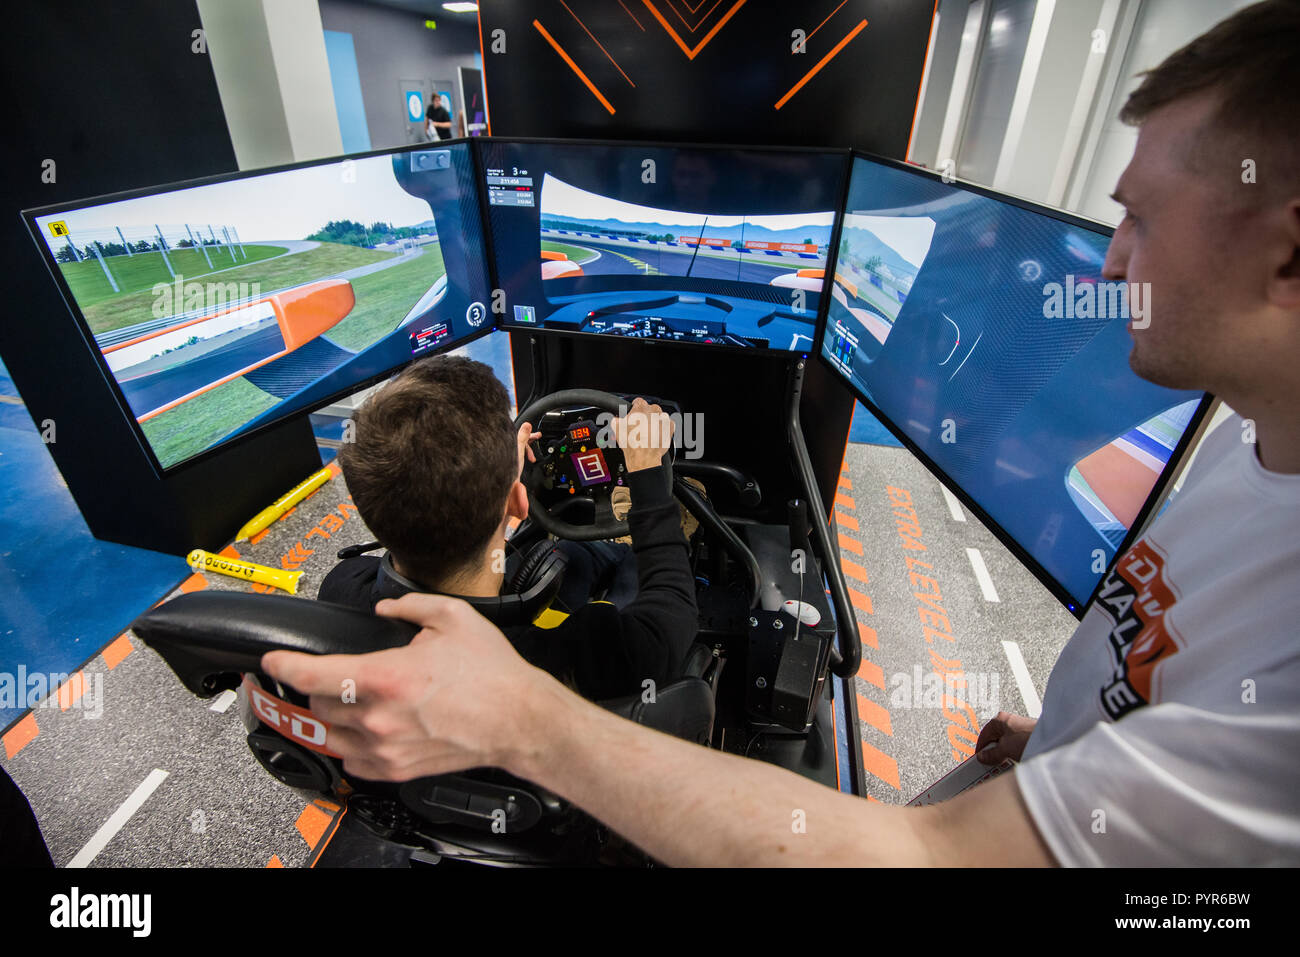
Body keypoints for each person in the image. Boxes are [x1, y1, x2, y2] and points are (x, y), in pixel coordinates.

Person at [264, 0, 1300, 865]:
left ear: (1286, 253)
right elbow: (665, 628)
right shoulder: (1238, 438)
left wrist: (514, 715)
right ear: (517, 499)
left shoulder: (347, 602)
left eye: (1141, 218)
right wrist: (1076, 743)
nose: (1110, 265)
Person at [317, 355, 698, 703]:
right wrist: (649, 482)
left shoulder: (342, 586)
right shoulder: (587, 655)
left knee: (574, 556)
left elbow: (407, 509)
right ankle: (626, 541)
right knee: (624, 562)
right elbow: (673, 611)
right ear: (519, 502)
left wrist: (488, 479)